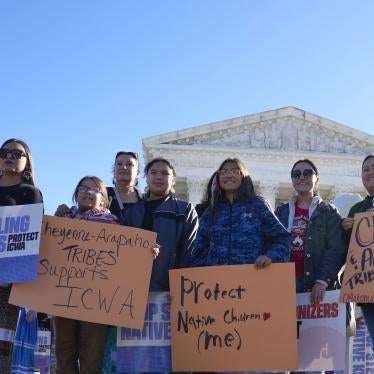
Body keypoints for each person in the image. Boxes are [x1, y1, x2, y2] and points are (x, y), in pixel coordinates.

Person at [53, 176, 118, 373]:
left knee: (92, 354)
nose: (88, 192)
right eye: (83, 188)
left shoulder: (114, 226)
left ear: (103, 199)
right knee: (64, 351)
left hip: (96, 300)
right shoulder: (61, 221)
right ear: (76, 194)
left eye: (95, 189)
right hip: (62, 297)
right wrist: (56, 220)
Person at [190, 157, 290, 268]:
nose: (229, 175)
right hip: (217, 280)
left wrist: (270, 256)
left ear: (243, 176)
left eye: (235, 171)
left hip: (252, 276)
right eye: (223, 172)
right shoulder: (211, 211)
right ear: (218, 178)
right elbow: (198, 247)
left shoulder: (257, 206)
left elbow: (282, 238)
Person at [275, 159, 347, 304]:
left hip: (315, 283)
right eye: (296, 174)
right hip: (284, 282)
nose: (301, 177)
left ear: (317, 179)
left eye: (307, 173)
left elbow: (336, 249)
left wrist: (322, 280)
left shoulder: (328, 212)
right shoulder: (281, 212)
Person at [121, 157, 199, 291]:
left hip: (169, 291)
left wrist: (182, 287)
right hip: (132, 288)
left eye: (164, 173)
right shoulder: (130, 212)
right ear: (146, 177)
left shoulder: (185, 210)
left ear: (173, 180)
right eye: (153, 172)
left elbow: (190, 251)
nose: (158, 177)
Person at [0, 138, 43, 374]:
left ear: (27, 163)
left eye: (17, 154)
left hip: (8, 285)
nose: (9, 156)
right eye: (4, 152)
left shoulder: (31, 193)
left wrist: (8, 273)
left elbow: (30, 240)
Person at [342, 154, 374, 345]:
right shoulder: (358, 208)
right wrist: (346, 229)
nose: (370, 172)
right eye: (366, 169)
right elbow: (350, 248)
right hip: (369, 287)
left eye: (373, 167)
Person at [107, 151, 142, 219]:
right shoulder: (103, 195)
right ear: (114, 171)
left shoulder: (146, 201)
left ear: (138, 173)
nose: (124, 167)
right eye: (119, 164)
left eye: (129, 164)